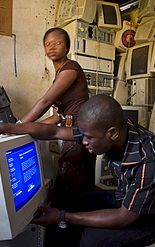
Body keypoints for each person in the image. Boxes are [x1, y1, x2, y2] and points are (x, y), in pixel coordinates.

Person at [0, 94, 155, 247]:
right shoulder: (111, 128)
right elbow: (54, 131)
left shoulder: (153, 159)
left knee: (91, 240)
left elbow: (125, 218)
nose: (82, 142)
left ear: (111, 133)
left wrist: (62, 217)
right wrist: (2, 128)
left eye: (88, 138)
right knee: (68, 201)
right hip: (125, 198)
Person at [17, 27, 96, 206]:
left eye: (58, 43)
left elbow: (46, 101)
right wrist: (28, 129)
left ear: (67, 48)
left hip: (81, 134)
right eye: (48, 44)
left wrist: (19, 125)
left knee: (67, 190)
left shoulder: (71, 68)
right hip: (70, 132)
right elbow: (54, 117)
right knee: (74, 189)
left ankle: (66, 226)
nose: (52, 47)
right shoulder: (59, 75)